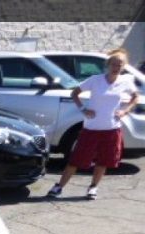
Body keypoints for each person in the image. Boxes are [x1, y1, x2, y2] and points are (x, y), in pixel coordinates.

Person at [47, 48, 140, 199]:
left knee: (103, 161)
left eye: (120, 65)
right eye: (114, 64)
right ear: (108, 65)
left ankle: (93, 188)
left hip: (111, 129)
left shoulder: (125, 81)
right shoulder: (95, 80)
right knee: (75, 160)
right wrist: (84, 109)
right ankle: (59, 187)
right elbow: (75, 93)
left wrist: (125, 111)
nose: (117, 68)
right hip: (91, 128)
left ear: (124, 66)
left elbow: (135, 97)